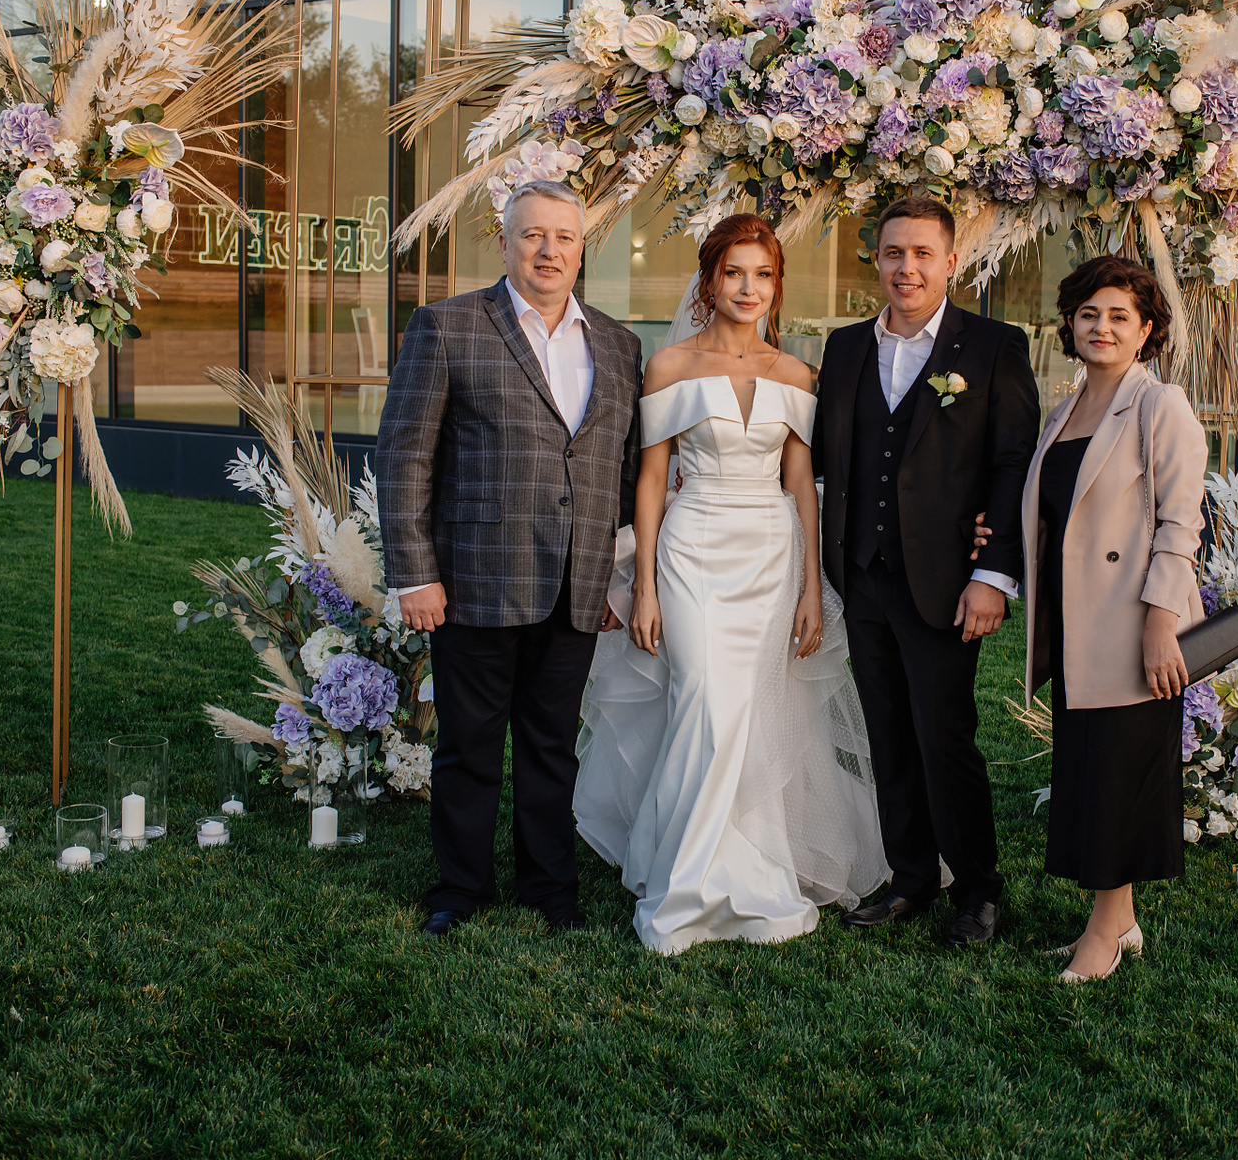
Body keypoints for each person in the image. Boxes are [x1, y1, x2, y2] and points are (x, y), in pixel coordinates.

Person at [575, 214, 888, 954]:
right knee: (705, 702)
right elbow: (651, 482)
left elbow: (801, 486)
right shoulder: (670, 366)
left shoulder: (796, 374)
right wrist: (643, 587)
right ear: (709, 282)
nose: (749, 288)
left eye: (764, 275)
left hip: (770, 556)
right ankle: (687, 882)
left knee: (749, 712)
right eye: (735, 273)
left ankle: (748, 865)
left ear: (776, 286)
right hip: (691, 551)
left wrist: (811, 589)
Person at [376, 178, 643, 938]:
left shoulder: (619, 345)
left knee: (552, 748)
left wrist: (613, 575)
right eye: (533, 235)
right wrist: (416, 575)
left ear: (582, 250)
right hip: (473, 581)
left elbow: (622, 473)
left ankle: (550, 889)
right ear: (504, 242)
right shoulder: (448, 326)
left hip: (575, 585)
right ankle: (460, 889)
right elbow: (404, 457)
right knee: (468, 748)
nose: (549, 251)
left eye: (564, 237)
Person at [813, 195, 1040, 948]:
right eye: (893, 253)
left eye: (921, 254)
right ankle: (910, 876)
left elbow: (1013, 465)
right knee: (887, 735)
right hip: (862, 573)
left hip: (947, 581)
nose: (906, 268)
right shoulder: (845, 347)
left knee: (944, 736)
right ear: (876, 260)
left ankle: (975, 890)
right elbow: (825, 454)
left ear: (951, 262)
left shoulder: (994, 346)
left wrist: (994, 575)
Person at [1021, 255, 1206, 983]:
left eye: (1120, 316)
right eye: (1089, 313)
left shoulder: (1160, 406)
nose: (1102, 327)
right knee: (1091, 771)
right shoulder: (1063, 412)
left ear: (1147, 330)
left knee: (1119, 777)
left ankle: (1103, 934)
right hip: (1078, 625)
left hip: (1133, 624)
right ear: (1069, 323)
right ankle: (1119, 922)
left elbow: (1182, 522)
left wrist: (1161, 621)